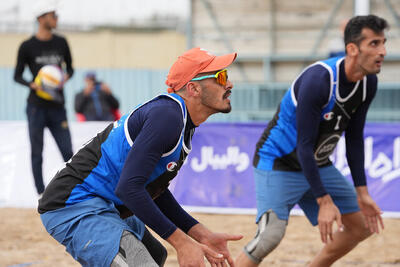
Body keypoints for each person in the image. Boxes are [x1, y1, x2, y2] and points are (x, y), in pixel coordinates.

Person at [38, 47, 243, 267]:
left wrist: (202, 235)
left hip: (106, 203)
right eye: (221, 77)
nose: (228, 84)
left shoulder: (181, 121)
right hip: (73, 204)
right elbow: (129, 189)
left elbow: (152, 190)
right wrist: (182, 243)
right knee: (141, 263)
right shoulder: (167, 116)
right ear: (193, 88)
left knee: (156, 256)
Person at [235, 15, 388, 267]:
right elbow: (303, 144)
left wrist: (363, 193)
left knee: (361, 226)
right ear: (352, 48)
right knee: (269, 236)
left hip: (315, 163)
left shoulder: (368, 82)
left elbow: (355, 139)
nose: (382, 51)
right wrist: (323, 199)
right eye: (374, 44)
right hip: (279, 161)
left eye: (383, 43)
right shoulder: (320, 80)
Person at [13, 0, 74, 195]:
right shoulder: (27, 46)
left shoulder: (61, 42)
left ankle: (75, 190)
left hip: (58, 106)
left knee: (68, 152)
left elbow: (71, 68)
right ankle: (41, 194)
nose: (56, 18)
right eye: (53, 15)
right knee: (37, 153)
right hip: (36, 107)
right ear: (41, 18)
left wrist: (66, 76)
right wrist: (31, 84)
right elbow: (17, 75)